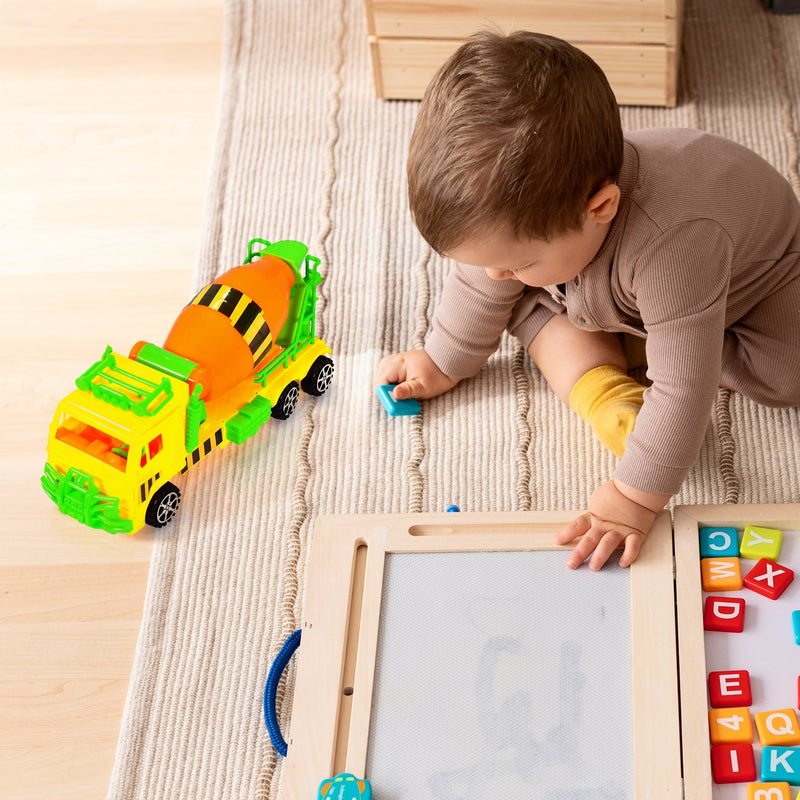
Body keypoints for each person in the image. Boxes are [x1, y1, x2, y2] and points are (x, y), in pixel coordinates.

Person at [373, 30, 800, 569]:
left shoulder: (674, 242)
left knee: (785, 376)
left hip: (759, 290)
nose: (494, 274)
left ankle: (662, 341)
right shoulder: (537, 233)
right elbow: (487, 277)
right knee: (521, 297)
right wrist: (444, 359)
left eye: (517, 261)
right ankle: (607, 382)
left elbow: (685, 389)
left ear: (600, 206)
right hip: (623, 286)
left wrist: (633, 497)